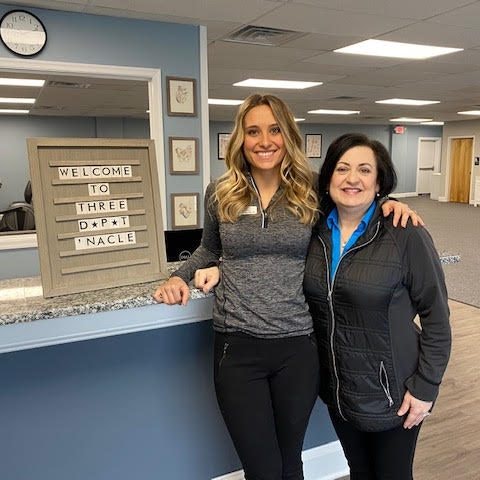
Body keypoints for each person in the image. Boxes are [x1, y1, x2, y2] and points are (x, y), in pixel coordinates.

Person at [153, 95, 419, 480]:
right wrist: (180, 276)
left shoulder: (312, 190)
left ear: (287, 135)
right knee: (261, 468)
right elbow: (210, 247)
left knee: (290, 462)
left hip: (298, 347)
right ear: (240, 138)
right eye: (253, 131)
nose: (265, 140)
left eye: (275, 130)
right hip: (236, 346)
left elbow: (355, 202)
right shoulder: (221, 191)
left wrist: (392, 204)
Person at [303, 133, 451, 480]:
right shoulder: (315, 232)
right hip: (340, 392)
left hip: (395, 396)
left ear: (379, 181)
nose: (352, 178)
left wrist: (425, 388)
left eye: (364, 170)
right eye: (342, 168)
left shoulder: (405, 233)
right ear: (327, 180)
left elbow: (437, 318)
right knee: (360, 473)